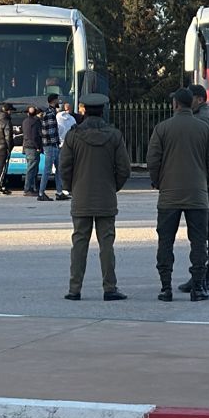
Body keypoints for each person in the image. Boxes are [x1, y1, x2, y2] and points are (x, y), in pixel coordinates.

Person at [146, 88, 209, 302]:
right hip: (198, 194)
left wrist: (159, 182)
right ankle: (198, 287)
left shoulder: (162, 128)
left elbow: (153, 160)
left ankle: (165, 287)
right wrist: (203, 181)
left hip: (169, 194)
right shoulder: (204, 128)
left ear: (176, 104)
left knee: (165, 241)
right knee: (198, 241)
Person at [59, 94, 131, 301]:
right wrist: (113, 187)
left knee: (79, 243)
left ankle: (74, 289)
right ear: (103, 111)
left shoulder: (73, 136)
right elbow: (124, 169)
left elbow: (65, 167)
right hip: (106, 197)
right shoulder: (114, 136)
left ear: (84, 111)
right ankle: (110, 287)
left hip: (81, 196)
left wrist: (72, 188)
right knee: (107, 244)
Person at [179, 84, 209, 292]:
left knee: (200, 230)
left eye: (190, 97)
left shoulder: (201, 120)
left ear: (199, 99)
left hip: (206, 181)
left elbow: (202, 154)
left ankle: (201, 275)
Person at [41, 94, 65, 200]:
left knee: (59, 169)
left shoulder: (51, 112)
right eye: (57, 100)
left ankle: (59, 192)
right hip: (51, 145)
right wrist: (55, 143)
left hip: (53, 145)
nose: (59, 102)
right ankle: (41, 193)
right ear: (53, 101)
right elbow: (50, 131)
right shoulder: (50, 113)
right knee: (47, 170)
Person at [0, 102, 16, 195]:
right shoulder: (6, 121)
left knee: (1, 167)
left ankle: (3, 187)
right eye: (11, 111)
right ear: (8, 111)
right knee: (3, 168)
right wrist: (10, 147)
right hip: (3, 147)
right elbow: (8, 136)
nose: (11, 112)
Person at [22, 104, 46, 199]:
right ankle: (28, 189)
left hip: (27, 147)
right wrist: (38, 147)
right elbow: (35, 136)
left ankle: (32, 188)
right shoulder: (36, 122)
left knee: (31, 168)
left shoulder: (25, 121)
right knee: (32, 169)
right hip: (33, 147)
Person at [55, 101, 78, 198]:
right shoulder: (72, 119)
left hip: (59, 145)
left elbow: (55, 131)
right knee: (70, 167)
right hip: (70, 145)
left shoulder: (57, 118)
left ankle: (61, 189)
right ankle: (68, 188)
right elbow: (75, 131)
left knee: (60, 168)